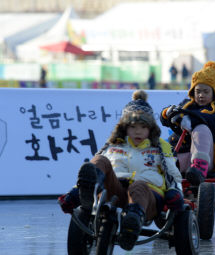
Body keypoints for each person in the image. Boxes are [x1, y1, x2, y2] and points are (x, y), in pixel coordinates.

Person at [58, 90, 183, 251]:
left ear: (151, 128)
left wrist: (176, 191)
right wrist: (76, 191)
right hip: (117, 191)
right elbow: (101, 163)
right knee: (100, 160)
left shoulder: (161, 147)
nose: (137, 131)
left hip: (149, 195)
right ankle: (81, 194)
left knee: (138, 186)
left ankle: (132, 223)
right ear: (124, 128)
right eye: (133, 127)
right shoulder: (115, 144)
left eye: (143, 127)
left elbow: (172, 173)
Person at [160, 61, 215, 185]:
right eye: (198, 91)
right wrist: (167, 113)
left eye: (206, 92)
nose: (201, 95)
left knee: (201, 128)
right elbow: (168, 119)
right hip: (183, 155)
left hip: (210, 158)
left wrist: (192, 119)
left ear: (214, 92)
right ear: (193, 92)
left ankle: (199, 166)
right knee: (163, 150)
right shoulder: (186, 105)